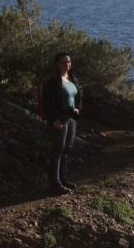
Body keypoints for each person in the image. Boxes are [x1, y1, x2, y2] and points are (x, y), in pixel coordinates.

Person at [41, 51, 82, 194]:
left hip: (70, 119)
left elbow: (77, 97)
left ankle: (63, 179)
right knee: (57, 151)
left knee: (67, 150)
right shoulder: (53, 81)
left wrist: (77, 109)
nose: (67, 64)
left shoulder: (72, 78)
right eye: (64, 62)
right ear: (57, 64)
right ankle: (55, 184)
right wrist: (53, 120)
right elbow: (46, 102)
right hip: (59, 119)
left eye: (69, 61)